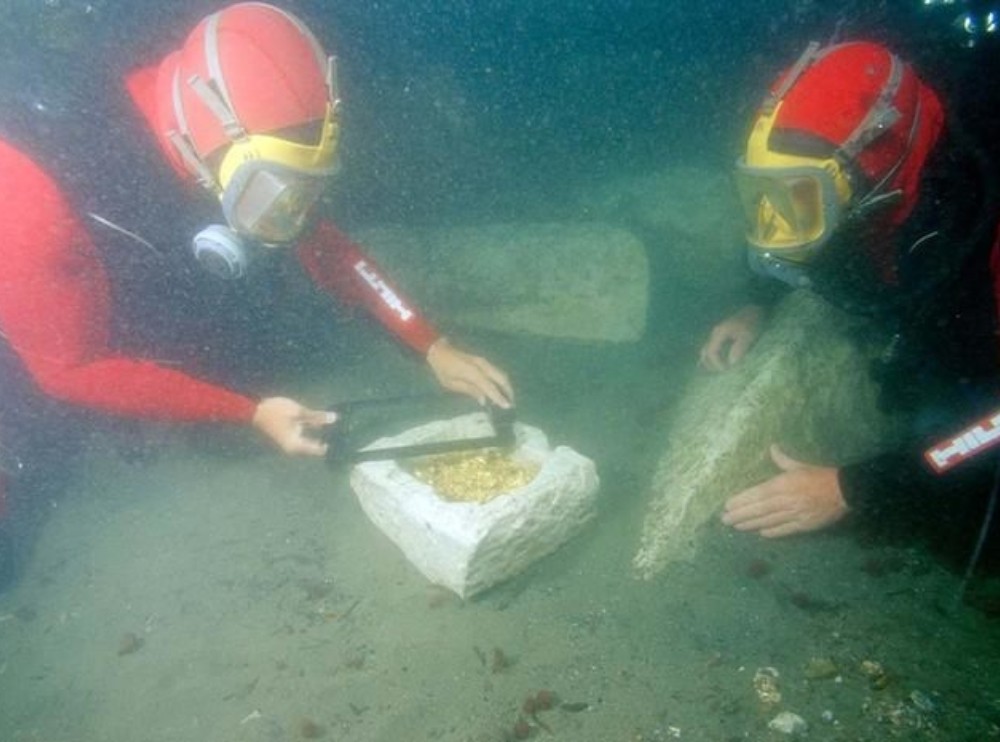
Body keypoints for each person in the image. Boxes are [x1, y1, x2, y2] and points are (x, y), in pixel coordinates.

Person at [0, 3, 513, 584]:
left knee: (248, 339)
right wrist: (246, 412)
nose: (288, 215)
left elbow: (318, 242)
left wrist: (428, 342)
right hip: (29, 295)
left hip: (109, 244)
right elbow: (68, 368)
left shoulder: (197, 119)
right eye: (272, 192)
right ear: (211, 147)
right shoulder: (29, 205)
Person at [697, 40, 1000, 543]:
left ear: (878, 165)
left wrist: (858, 488)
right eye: (760, 194)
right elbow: (786, 226)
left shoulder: (978, 225)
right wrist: (755, 300)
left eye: (801, 197)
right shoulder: (864, 193)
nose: (774, 223)